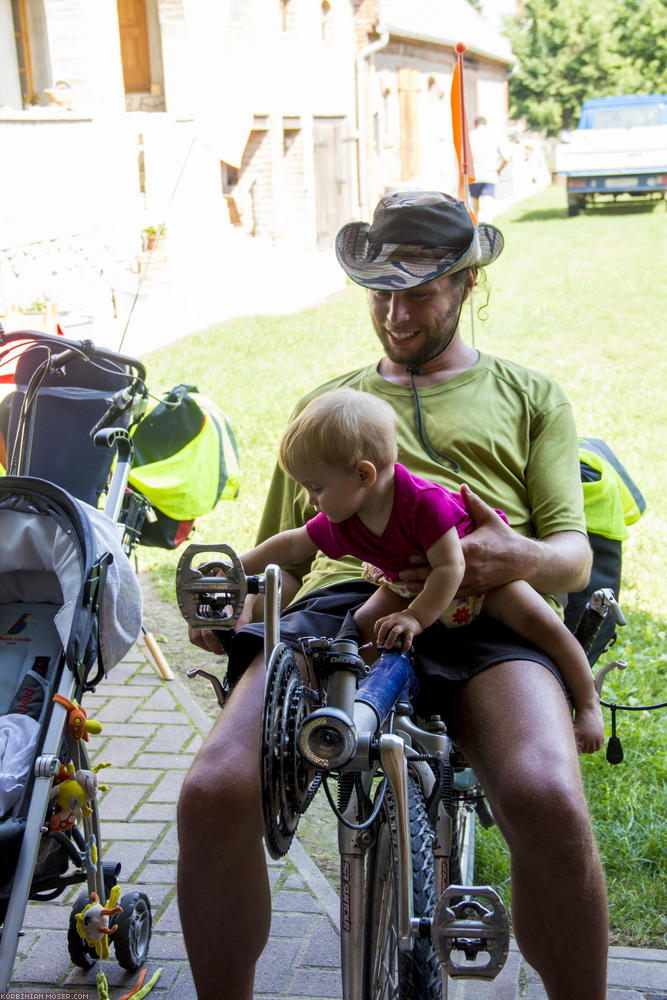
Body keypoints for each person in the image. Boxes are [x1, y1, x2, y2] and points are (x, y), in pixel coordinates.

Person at [177, 190, 609, 1000]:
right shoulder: (328, 409)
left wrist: (503, 555)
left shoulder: (530, 395)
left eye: (418, 292)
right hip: (349, 609)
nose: (396, 313)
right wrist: (241, 605)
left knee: (548, 796)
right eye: (381, 292)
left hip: (488, 613)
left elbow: (572, 557)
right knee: (211, 792)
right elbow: (290, 555)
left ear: (468, 285)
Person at [239, 385, 604, 753]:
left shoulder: (423, 503)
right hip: (407, 583)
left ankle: (588, 703)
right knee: (359, 630)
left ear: (364, 475)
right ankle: (342, 706)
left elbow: (452, 565)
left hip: (480, 585)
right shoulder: (342, 517)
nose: (309, 500)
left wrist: (415, 617)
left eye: (315, 488)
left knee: (545, 626)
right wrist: (237, 566)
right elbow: (290, 543)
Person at [469, 115, 510, 219]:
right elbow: (506, 158)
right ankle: (487, 232)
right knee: (486, 210)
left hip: (474, 176)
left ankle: (475, 232)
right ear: (486, 125)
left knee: (475, 210)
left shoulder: (469, 136)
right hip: (490, 175)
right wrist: (499, 170)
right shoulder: (494, 137)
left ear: (475, 125)